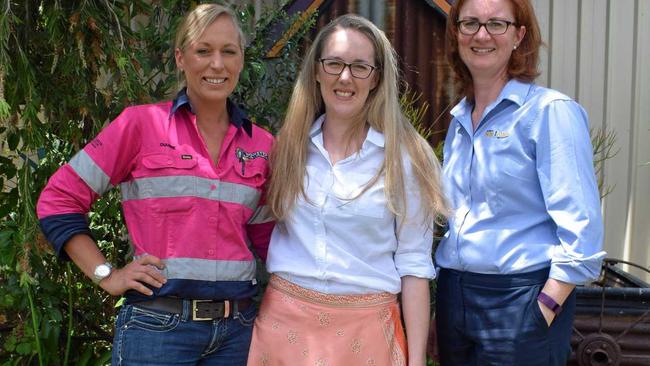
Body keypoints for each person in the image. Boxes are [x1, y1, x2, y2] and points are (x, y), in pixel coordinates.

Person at [36, 4, 274, 365]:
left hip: (236, 332)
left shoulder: (261, 146)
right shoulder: (140, 125)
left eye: (229, 51)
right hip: (157, 329)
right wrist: (107, 275)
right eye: (203, 50)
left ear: (241, 59)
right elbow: (58, 199)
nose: (217, 64)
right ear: (181, 57)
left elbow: (271, 242)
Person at [246, 14, 448, 366]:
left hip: (366, 335)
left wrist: (416, 361)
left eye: (359, 67)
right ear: (316, 71)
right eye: (334, 63)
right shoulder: (286, 149)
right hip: (284, 331)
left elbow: (414, 267)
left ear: (377, 78)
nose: (345, 77)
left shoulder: (407, 159)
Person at [434, 0, 606, 365]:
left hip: (520, 298)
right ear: (457, 34)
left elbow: (582, 226)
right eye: (470, 23)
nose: (481, 34)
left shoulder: (549, 112)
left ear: (518, 35)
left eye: (496, 23)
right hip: (455, 296)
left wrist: (545, 305)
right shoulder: (460, 120)